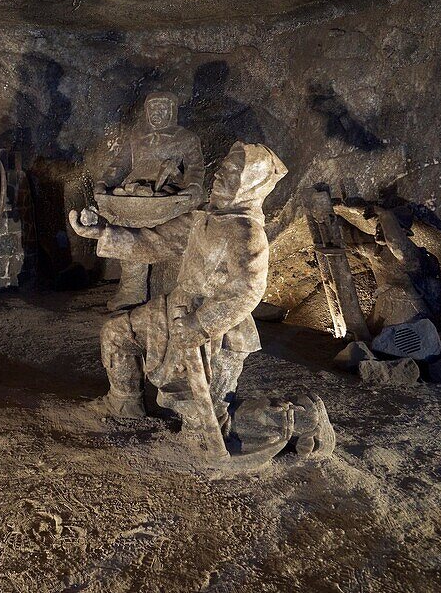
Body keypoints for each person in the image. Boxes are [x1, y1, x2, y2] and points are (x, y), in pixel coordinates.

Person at [72, 142, 288, 463]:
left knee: (202, 418)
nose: (218, 178)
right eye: (221, 171)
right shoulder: (202, 221)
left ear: (250, 184)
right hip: (176, 310)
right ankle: (124, 405)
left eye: (230, 175)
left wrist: (200, 324)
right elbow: (153, 242)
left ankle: (294, 420)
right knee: (117, 334)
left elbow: (247, 291)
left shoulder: (246, 234)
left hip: (218, 332)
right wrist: (103, 232)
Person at [95, 91, 204, 310]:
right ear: (146, 111)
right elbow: (119, 165)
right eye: (153, 108)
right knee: (129, 234)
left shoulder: (186, 138)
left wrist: (193, 186)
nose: (157, 113)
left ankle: (170, 293)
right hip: (134, 192)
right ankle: (131, 290)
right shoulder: (136, 136)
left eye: (163, 109)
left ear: (172, 112)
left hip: (168, 194)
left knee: (172, 236)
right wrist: (103, 182)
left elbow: (195, 166)